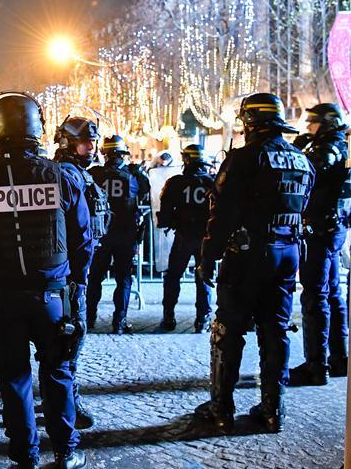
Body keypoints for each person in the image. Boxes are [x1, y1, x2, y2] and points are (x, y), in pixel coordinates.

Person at [0, 92, 93, 469]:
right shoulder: (61, 176)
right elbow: (84, 238)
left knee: (14, 380)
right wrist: (75, 283)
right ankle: (67, 454)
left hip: (2, 299)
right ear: (38, 128)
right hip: (53, 296)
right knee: (59, 373)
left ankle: (25, 464)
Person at [194, 92, 313, 433]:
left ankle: (221, 408)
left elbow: (222, 215)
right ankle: (273, 409)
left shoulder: (244, 159)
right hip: (288, 253)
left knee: (227, 331)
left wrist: (208, 258)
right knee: (275, 330)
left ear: (249, 122)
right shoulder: (302, 160)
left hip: (247, 254)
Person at [52, 116, 110, 430]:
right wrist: (79, 276)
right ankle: (66, 403)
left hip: (70, 273)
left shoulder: (75, 175)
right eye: (86, 143)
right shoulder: (66, 175)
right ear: (68, 143)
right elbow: (78, 234)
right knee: (69, 340)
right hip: (69, 276)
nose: (92, 149)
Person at [288, 103, 351, 386]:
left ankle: (316, 364)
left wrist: (300, 153)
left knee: (315, 295)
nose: (308, 127)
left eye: (312, 123)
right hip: (332, 226)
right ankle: (338, 358)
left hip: (321, 227)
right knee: (332, 292)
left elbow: (308, 176)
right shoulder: (337, 145)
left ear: (325, 123)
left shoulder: (326, 149)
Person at [86, 135, 149, 333]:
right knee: (124, 278)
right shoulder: (134, 174)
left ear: (104, 154)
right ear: (123, 154)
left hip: (101, 234)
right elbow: (145, 193)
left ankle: (89, 318)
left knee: (95, 277)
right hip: (126, 233)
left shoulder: (95, 174)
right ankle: (119, 322)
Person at [155, 145, 214, 333]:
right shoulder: (212, 182)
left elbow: (165, 211)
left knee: (173, 277)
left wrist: (173, 222)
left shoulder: (175, 182)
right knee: (203, 278)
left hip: (183, 237)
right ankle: (202, 319)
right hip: (205, 237)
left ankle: (169, 316)